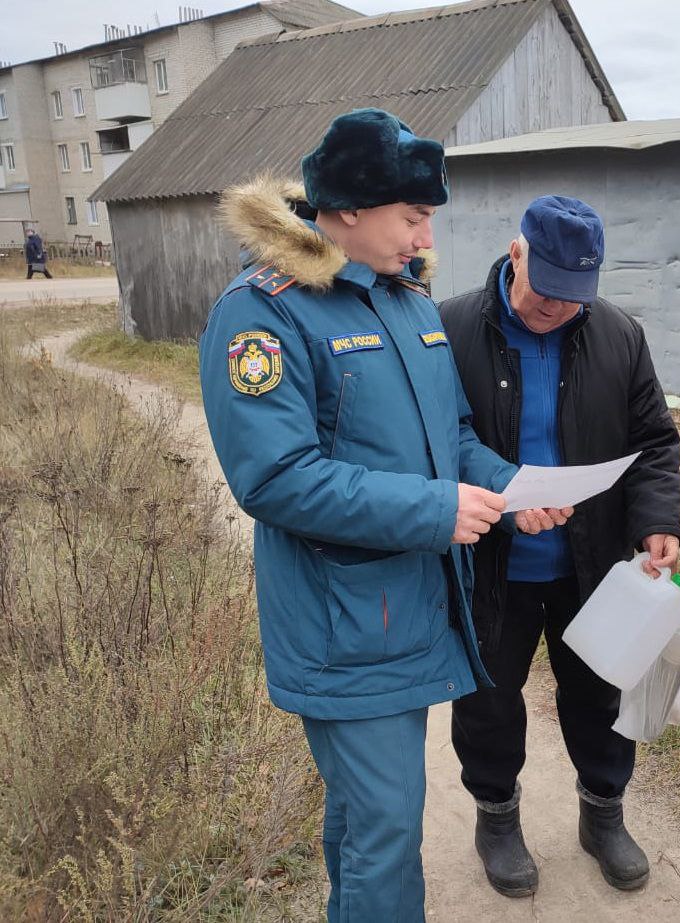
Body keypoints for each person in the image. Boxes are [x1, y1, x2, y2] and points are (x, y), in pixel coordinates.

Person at [198, 107, 568, 923]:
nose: (425, 235)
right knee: (388, 827)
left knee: (366, 817)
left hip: (410, 609)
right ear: (348, 209)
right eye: (413, 216)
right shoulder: (264, 311)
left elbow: (452, 436)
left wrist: (512, 491)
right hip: (342, 626)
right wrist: (437, 509)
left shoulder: (405, 300)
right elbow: (275, 478)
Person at [439, 195, 680, 898]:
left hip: (590, 562)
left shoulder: (618, 333)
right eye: (546, 291)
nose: (558, 308)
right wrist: (504, 500)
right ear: (515, 253)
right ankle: (496, 817)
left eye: (575, 295)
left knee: (600, 693)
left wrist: (657, 520)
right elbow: (437, 439)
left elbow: (654, 442)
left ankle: (603, 813)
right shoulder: (449, 328)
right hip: (490, 564)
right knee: (488, 700)